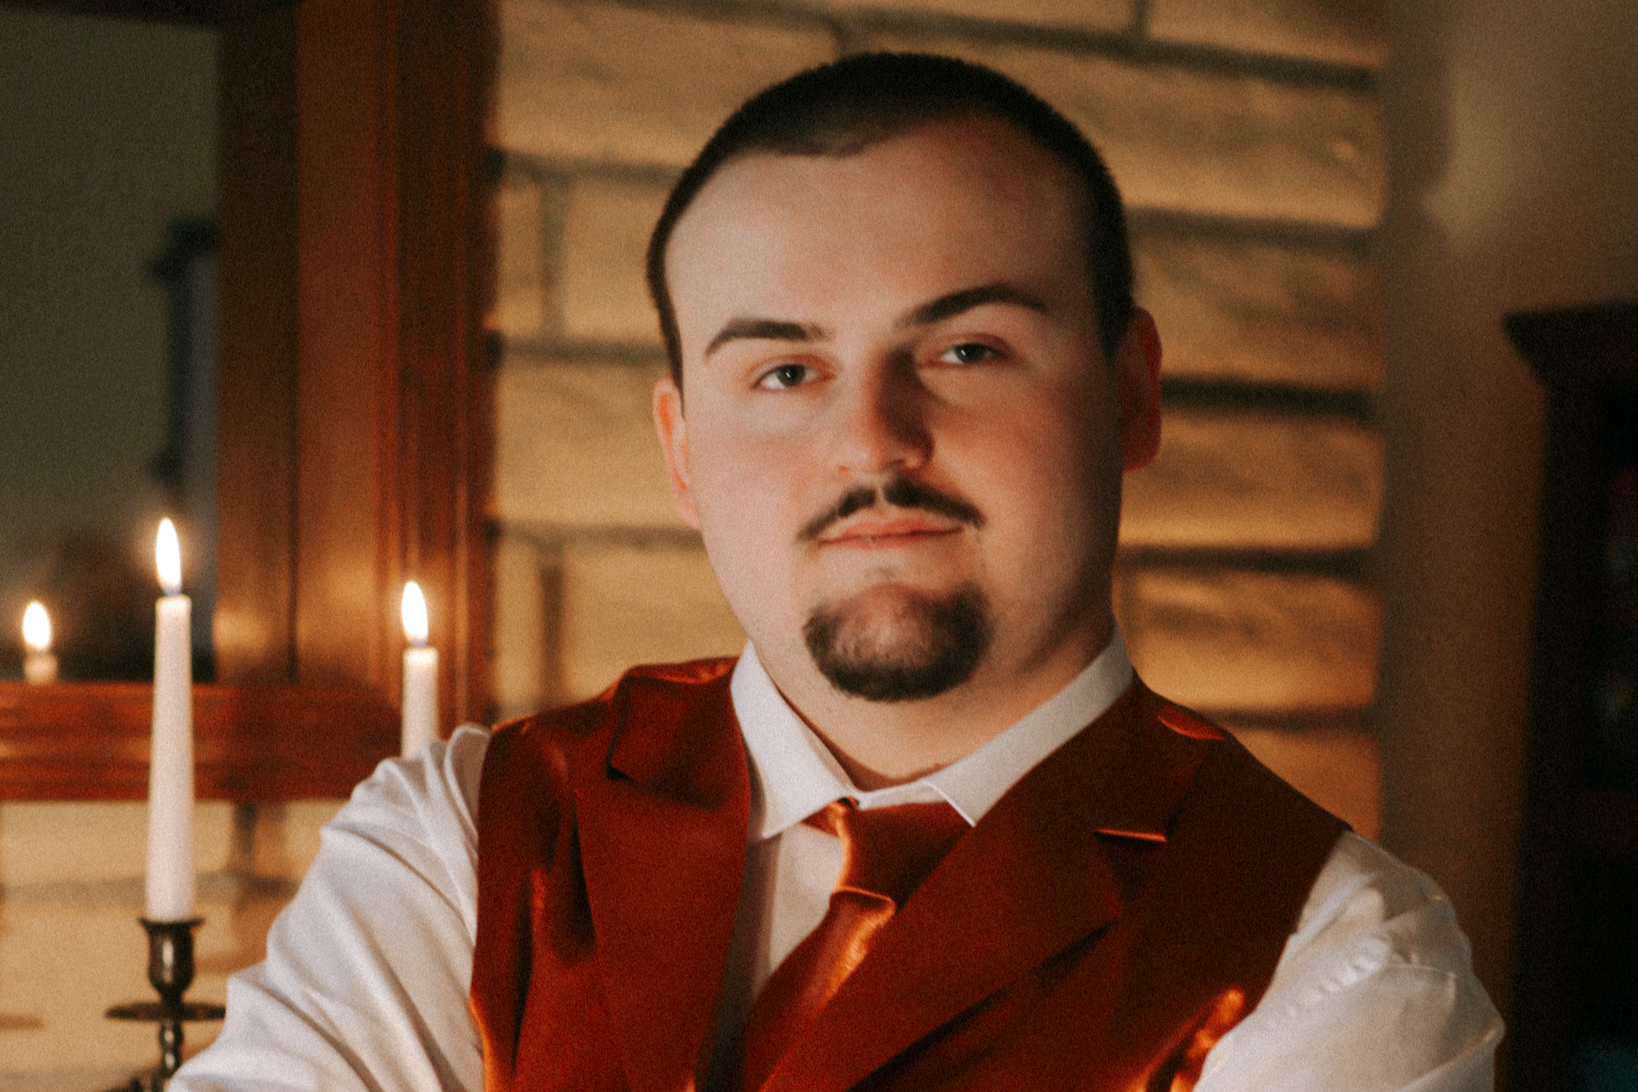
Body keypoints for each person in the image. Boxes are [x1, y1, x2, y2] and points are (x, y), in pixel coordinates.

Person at [174, 53, 1502, 1092]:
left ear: (1129, 394)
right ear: (682, 451)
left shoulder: (1337, 960)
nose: (870, 440)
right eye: (784, 372)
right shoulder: (461, 839)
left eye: (966, 350)